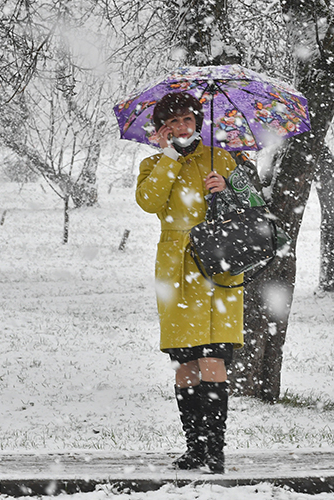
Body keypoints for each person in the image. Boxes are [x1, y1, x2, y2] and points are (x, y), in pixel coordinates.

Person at [135, 91, 243, 474]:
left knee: (213, 358)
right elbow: (150, 202)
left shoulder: (222, 158)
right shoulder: (153, 164)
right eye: (173, 122)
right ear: (161, 129)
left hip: (218, 269)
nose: (182, 128)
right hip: (176, 271)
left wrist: (227, 190)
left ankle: (215, 451)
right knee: (185, 364)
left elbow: (255, 207)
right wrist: (168, 156)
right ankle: (194, 448)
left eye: (188, 120)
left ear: (198, 122)